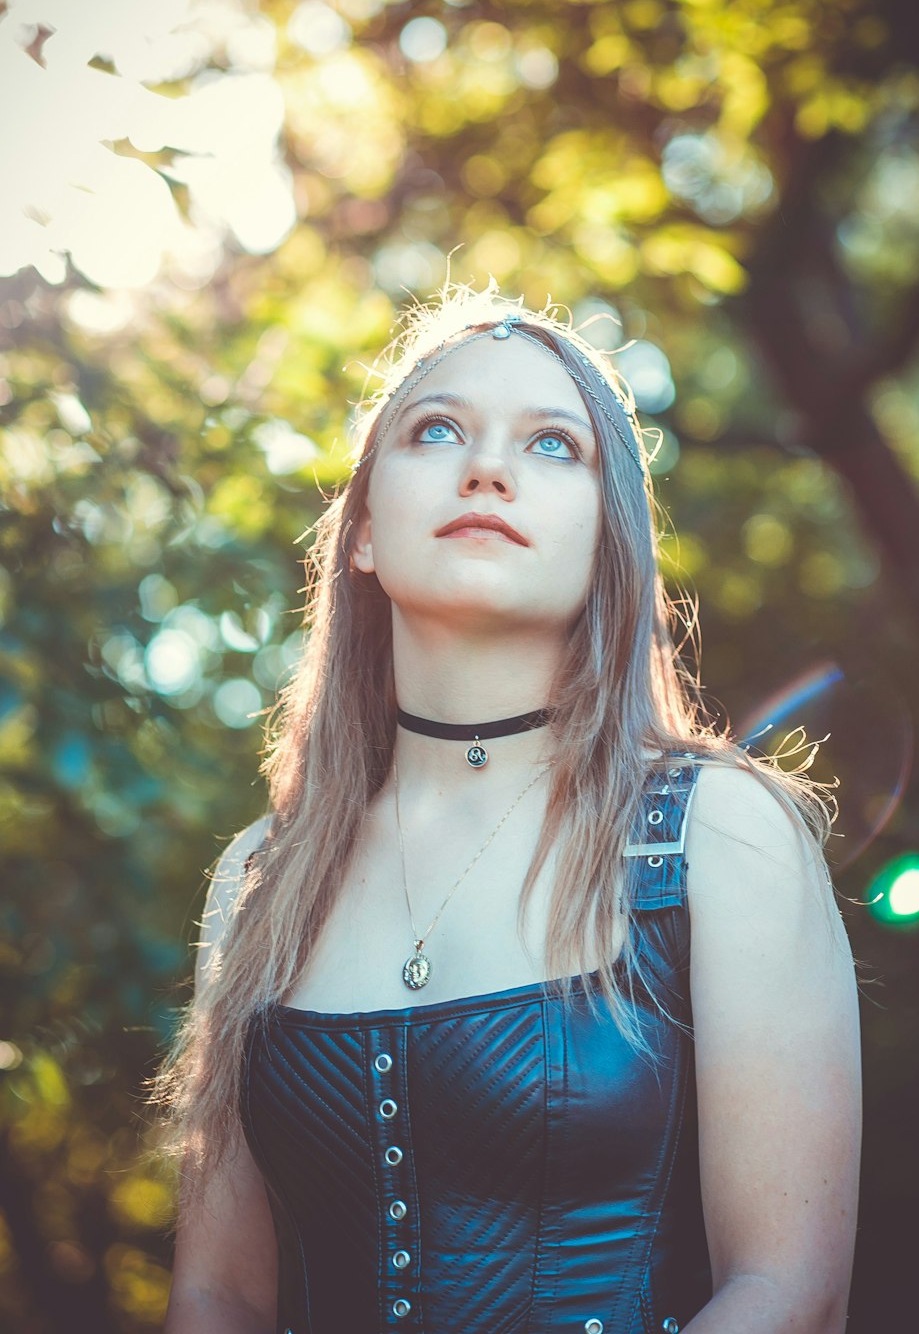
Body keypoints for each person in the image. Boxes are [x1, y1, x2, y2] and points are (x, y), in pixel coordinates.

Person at [153, 284, 862, 1334]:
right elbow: (219, 1297)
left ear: (605, 541)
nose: (485, 468)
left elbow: (788, 1295)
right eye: (436, 430)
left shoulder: (715, 833)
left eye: (551, 446)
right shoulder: (259, 877)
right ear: (360, 539)